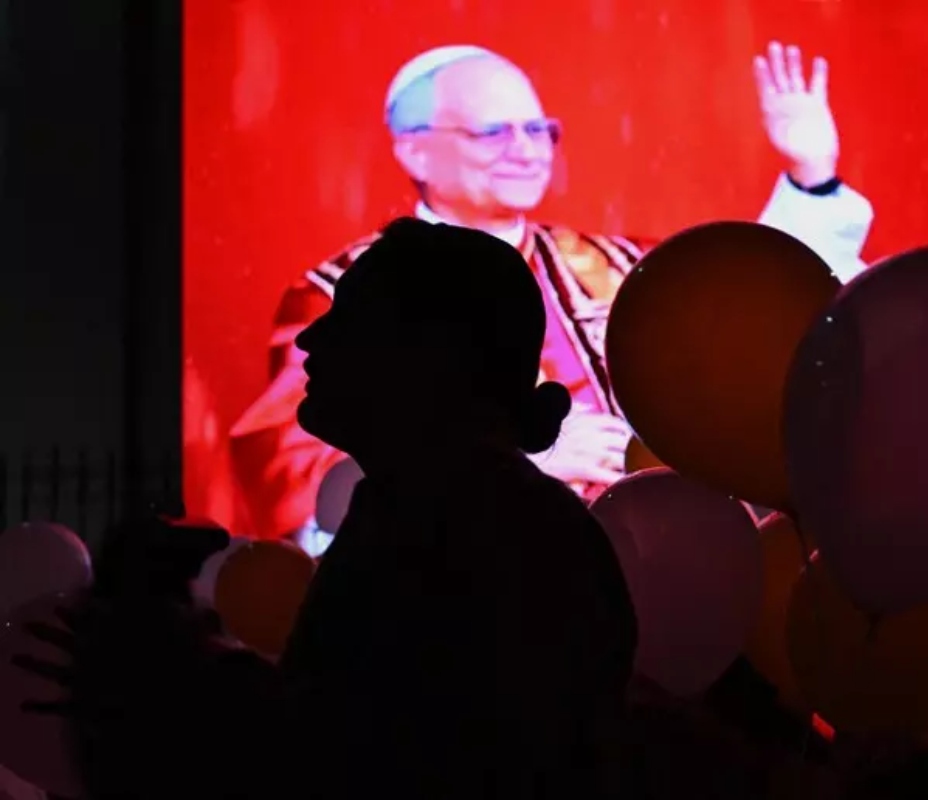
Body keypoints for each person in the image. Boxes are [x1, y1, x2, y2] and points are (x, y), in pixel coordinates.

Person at [17, 221, 639, 799]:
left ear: (427, 358)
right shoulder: (445, 508)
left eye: (351, 318)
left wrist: (164, 664)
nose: (312, 339)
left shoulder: (473, 526)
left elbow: (365, 755)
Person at [229, 41, 876, 543]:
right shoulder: (347, 293)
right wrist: (513, 462)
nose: (526, 150)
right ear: (414, 152)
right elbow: (298, 486)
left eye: (538, 129)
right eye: (493, 132)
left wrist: (810, 177)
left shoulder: (606, 263)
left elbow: (750, 305)